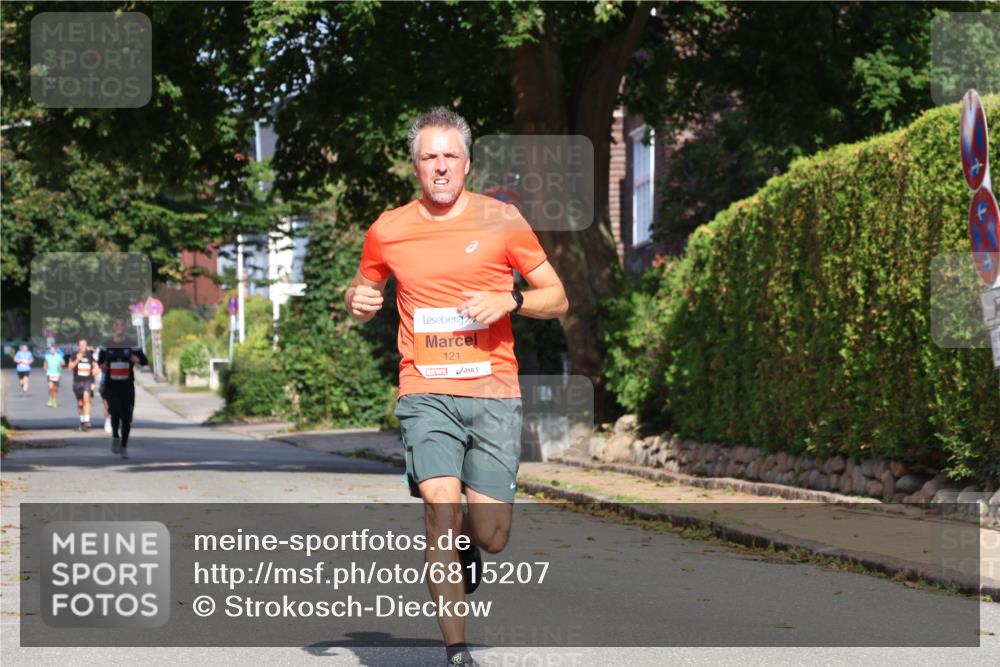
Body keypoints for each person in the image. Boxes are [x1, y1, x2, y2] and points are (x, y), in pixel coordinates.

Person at [346, 107, 568, 667]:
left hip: (493, 391)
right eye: (429, 157)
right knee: (439, 506)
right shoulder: (388, 229)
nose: (440, 167)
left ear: (467, 163)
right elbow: (363, 290)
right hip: (425, 389)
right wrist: (357, 301)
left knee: (491, 535)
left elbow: (557, 297)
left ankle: (473, 541)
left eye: (450, 156)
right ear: (415, 166)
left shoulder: (503, 220)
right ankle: (457, 651)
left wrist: (510, 300)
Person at [97, 316, 148, 459]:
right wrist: (104, 366)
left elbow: (144, 361)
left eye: (122, 324)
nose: (119, 327)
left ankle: (124, 446)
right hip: (112, 387)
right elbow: (100, 365)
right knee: (115, 413)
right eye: (116, 324)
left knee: (126, 419)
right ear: (113, 327)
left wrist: (137, 360)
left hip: (127, 388)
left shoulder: (132, 344)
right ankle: (115, 436)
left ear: (125, 327)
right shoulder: (106, 345)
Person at [67, 339, 97, 431]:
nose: (83, 347)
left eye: (84, 345)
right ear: (79, 346)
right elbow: (69, 368)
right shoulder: (74, 355)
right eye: (81, 345)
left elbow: (96, 366)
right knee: (80, 403)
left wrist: (95, 372)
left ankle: (87, 421)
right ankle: (82, 421)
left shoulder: (90, 355)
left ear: (86, 346)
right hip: (77, 382)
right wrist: (77, 360)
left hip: (87, 381)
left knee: (86, 399)